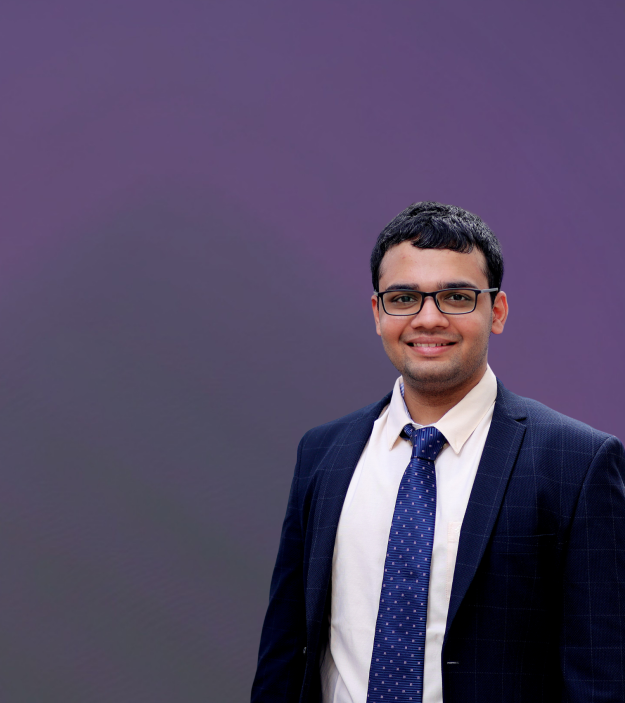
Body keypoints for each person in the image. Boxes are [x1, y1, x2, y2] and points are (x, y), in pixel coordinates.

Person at [251, 202, 625, 703]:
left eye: (455, 296)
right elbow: (284, 650)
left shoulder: (577, 463)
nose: (428, 319)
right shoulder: (324, 453)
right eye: (404, 297)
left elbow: (601, 676)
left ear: (497, 311)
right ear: (378, 312)